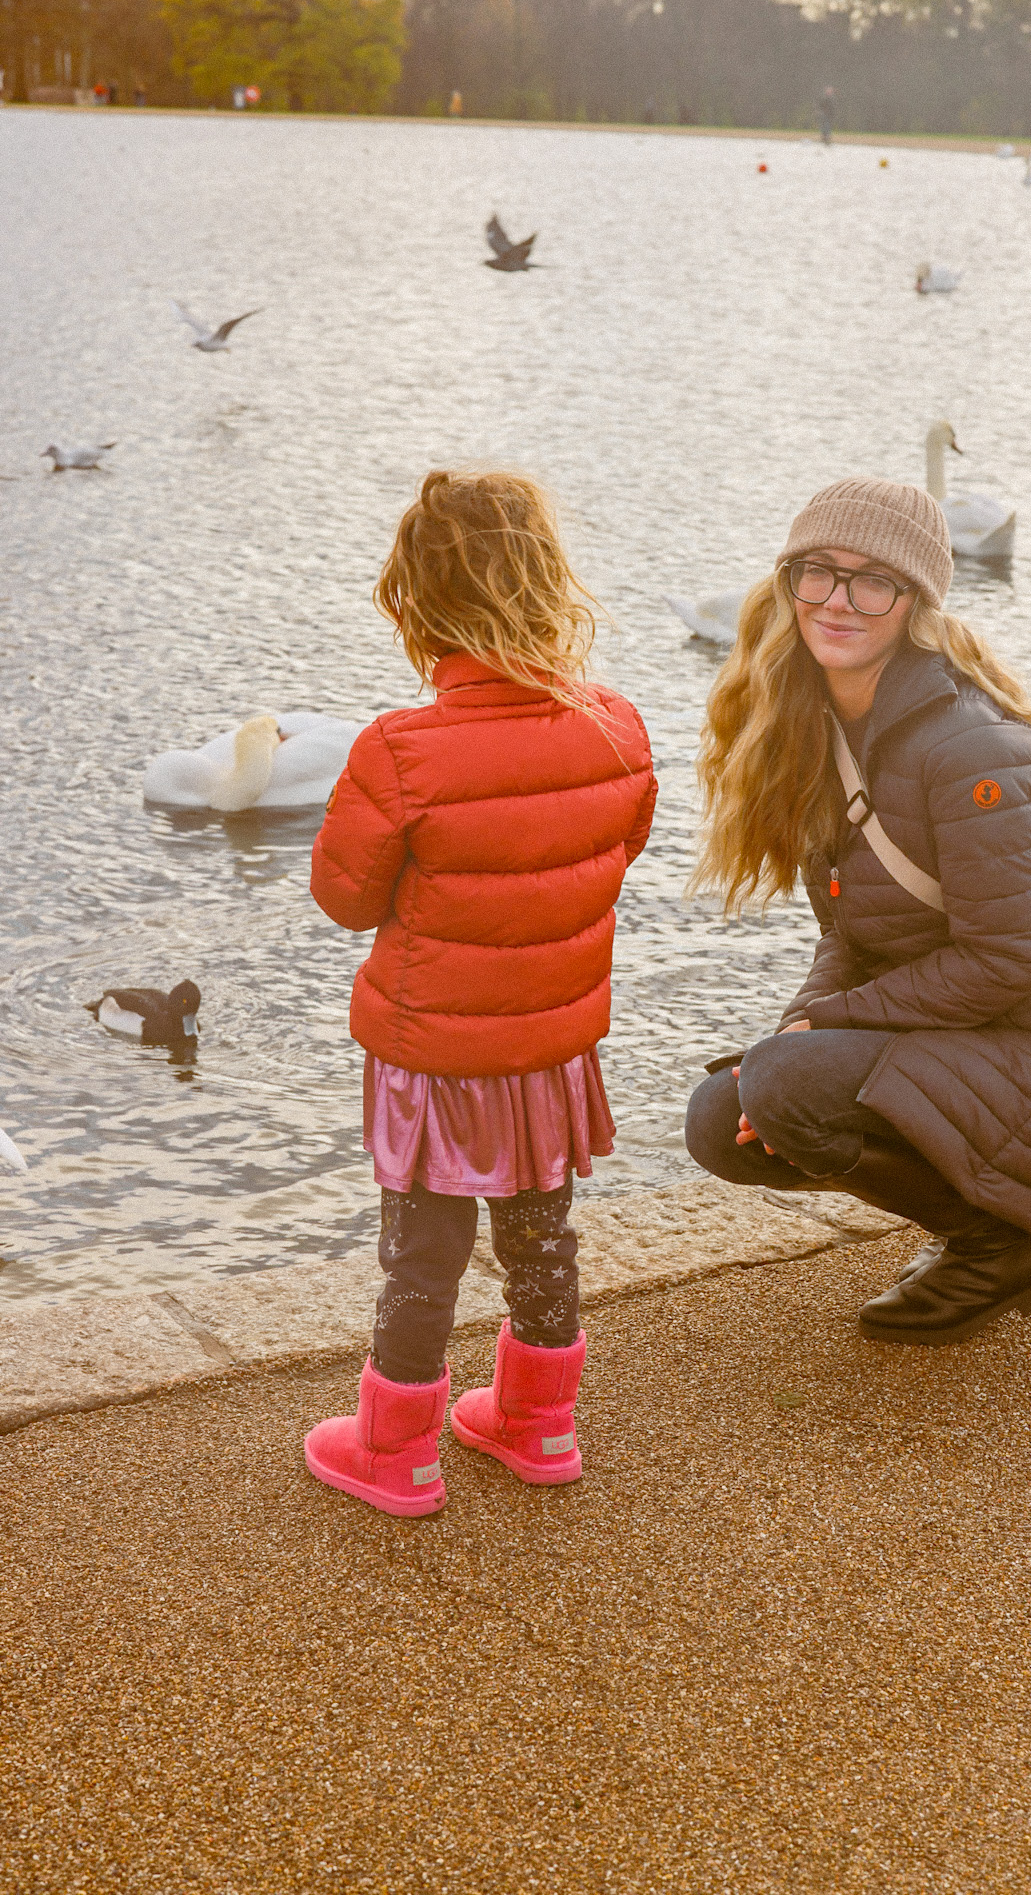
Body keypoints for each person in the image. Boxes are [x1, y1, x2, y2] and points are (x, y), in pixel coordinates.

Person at [685, 477, 1031, 1345]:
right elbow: (851, 937)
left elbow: (1005, 961)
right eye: (818, 572)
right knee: (725, 1120)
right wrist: (799, 1027)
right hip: (976, 1046)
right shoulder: (817, 730)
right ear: (787, 579)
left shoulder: (969, 746)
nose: (838, 600)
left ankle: (1000, 1247)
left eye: (874, 580)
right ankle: (991, 1232)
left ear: (915, 603)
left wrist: (811, 1039)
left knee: (784, 1081)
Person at [305, 470, 656, 1514]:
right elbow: (614, 849)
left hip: (434, 1050)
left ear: (413, 603)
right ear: (550, 582)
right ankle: (538, 1420)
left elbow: (344, 897)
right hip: (550, 1044)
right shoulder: (617, 728)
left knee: (425, 1246)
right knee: (541, 1227)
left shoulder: (399, 750)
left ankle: (397, 1443)